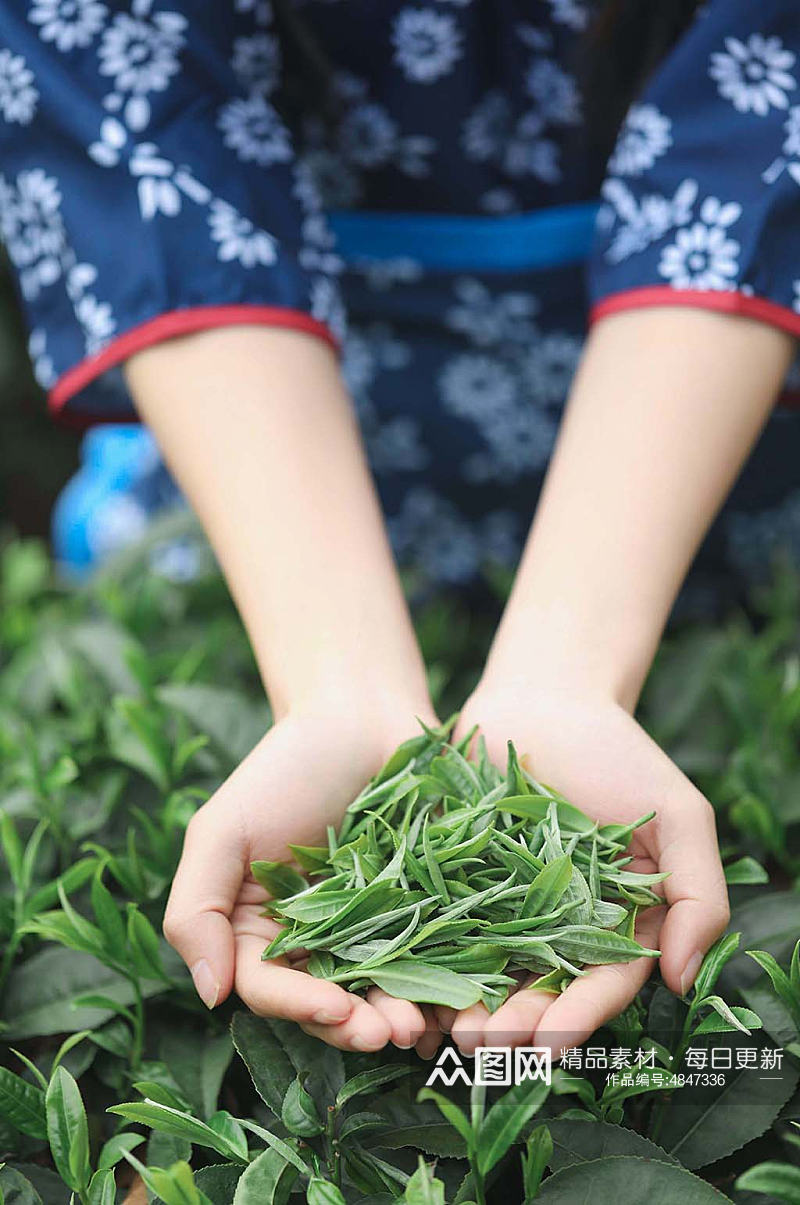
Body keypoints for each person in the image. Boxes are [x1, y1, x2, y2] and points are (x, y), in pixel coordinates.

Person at [1, 0, 798, 1059]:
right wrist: (341, 691)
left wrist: (565, 677)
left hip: (697, 467)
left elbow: (757, 134)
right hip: (268, 483)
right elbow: (148, 149)